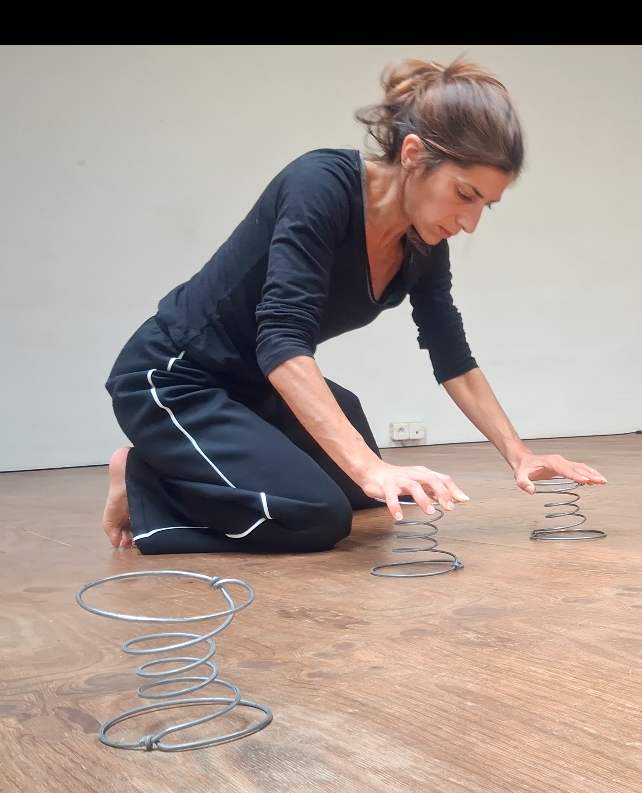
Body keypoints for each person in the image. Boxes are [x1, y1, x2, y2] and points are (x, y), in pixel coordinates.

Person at [102, 59, 605, 553]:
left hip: (253, 387)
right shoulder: (319, 184)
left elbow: (452, 355)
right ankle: (147, 481)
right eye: (463, 194)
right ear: (413, 155)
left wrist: (519, 455)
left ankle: (192, 465)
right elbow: (281, 340)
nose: (470, 222)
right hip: (176, 378)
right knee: (316, 516)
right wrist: (369, 466)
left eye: (484, 205)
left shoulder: (424, 242)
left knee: (370, 492)